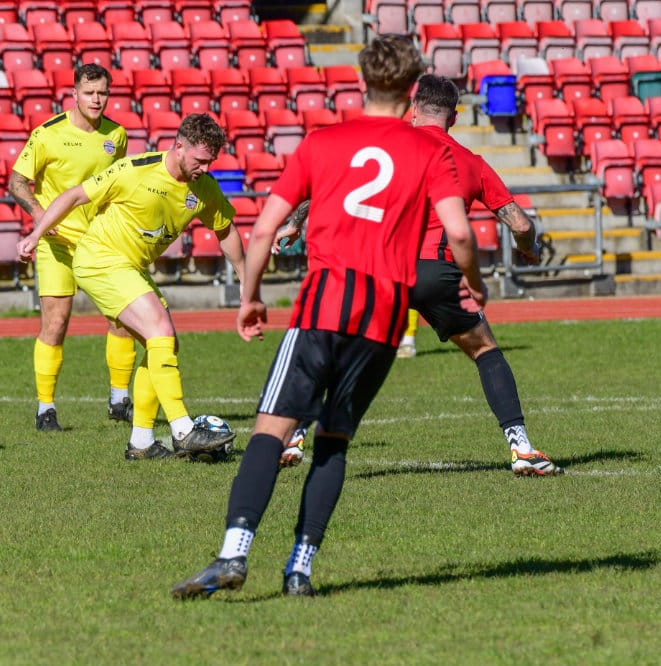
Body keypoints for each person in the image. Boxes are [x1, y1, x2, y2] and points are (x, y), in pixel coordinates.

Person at [171, 35, 485, 599]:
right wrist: (476, 281)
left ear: (362, 82)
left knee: (271, 431)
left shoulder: (322, 142)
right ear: (410, 91)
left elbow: (264, 229)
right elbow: (459, 233)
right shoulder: (429, 152)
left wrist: (250, 297)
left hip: (324, 305)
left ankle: (233, 554)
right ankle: (300, 569)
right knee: (334, 440)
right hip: (384, 319)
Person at [276, 74, 562, 477]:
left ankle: (295, 434)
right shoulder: (470, 162)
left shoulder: (386, 147)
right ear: (454, 117)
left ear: (413, 109)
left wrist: (295, 223)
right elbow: (519, 223)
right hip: (435, 272)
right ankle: (522, 448)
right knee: (485, 350)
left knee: (339, 351)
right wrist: (527, 247)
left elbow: (331, 183)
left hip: (379, 267)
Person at [17, 113, 244, 461]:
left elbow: (225, 230)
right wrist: (35, 234)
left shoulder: (204, 187)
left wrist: (245, 279)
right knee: (159, 330)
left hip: (130, 267)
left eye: (210, 161)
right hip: (99, 259)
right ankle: (183, 430)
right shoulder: (135, 170)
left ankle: (141, 441)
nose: (205, 168)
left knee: (163, 343)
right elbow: (74, 196)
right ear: (179, 147)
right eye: (200, 160)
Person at [8, 63, 135, 432]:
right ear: (75, 94)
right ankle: (45, 408)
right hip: (56, 245)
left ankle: (119, 400)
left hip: (101, 243)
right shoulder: (47, 134)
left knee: (122, 317)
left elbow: (118, 185)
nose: (96, 99)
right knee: (56, 323)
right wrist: (41, 217)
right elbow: (17, 182)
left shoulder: (117, 135)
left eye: (102, 93)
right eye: (89, 92)